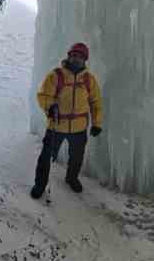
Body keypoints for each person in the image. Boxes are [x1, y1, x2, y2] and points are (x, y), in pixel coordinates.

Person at [32, 42, 103, 199]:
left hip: (79, 128)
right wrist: (49, 107)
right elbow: (43, 95)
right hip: (57, 125)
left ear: (85, 60)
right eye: (74, 55)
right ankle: (40, 184)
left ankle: (72, 178)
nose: (76, 59)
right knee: (46, 157)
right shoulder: (56, 76)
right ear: (69, 56)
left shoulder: (89, 80)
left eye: (80, 57)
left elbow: (95, 102)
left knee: (76, 157)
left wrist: (97, 123)